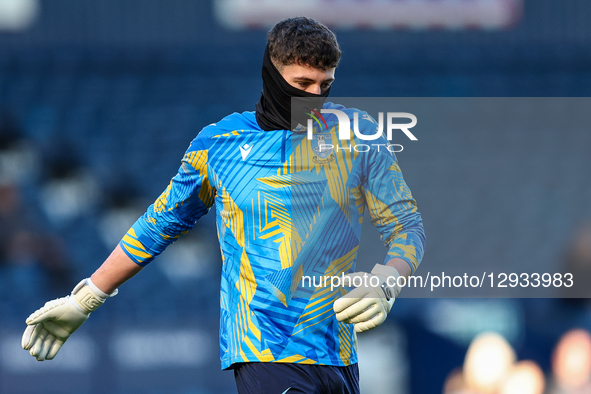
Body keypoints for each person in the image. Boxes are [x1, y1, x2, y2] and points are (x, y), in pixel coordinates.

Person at [21, 17, 426, 394]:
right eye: (303, 84)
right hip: (266, 350)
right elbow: (160, 223)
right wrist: (86, 298)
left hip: (339, 353)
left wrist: (386, 280)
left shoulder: (358, 136)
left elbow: (407, 224)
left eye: (325, 85)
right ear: (272, 74)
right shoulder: (219, 144)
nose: (315, 97)